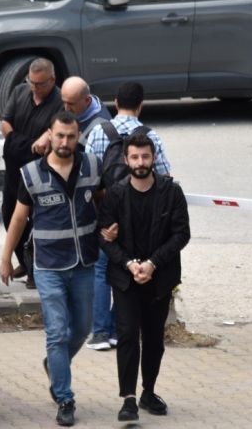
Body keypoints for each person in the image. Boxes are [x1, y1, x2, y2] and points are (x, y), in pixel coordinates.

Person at [0, 111, 103, 427]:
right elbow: (19, 218)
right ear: (50, 134)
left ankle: (55, 365)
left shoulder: (92, 166)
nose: (65, 142)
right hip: (48, 266)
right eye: (60, 136)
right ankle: (64, 397)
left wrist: (111, 229)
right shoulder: (31, 173)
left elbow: (103, 202)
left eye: (71, 136)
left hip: (84, 262)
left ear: (78, 136)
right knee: (57, 332)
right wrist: (5, 258)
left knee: (83, 328)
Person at [98, 133, 190, 422]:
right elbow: (104, 238)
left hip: (159, 278)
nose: (140, 162)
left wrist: (152, 264)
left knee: (153, 338)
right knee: (127, 334)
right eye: (135, 157)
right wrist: (130, 265)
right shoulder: (115, 194)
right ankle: (128, 398)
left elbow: (181, 234)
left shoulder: (171, 192)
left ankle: (148, 391)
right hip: (126, 278)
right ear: (126, 160)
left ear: (153, 158)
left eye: (145, 156)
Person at [83, 81, 173, 351]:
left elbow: (88, 175)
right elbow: (165, 177)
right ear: (140, 105)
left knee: (101, 269)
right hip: (139, 214)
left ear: (115, 102)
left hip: (106, 210)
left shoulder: (99, 131)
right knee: (131, 268)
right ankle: (117, 329)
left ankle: (100, 333)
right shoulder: (150, 135)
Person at [0, 58, 63, 287]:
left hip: (38, 170)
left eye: (40, 84)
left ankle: (36, 268)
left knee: (36, 219)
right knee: (9, 213)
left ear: (52, 80)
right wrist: (19, 141)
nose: (34, 87)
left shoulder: (59, 101)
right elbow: (5, 123)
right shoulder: (20, 91)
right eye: (31, 82)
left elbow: (57, 131)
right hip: (14, 166)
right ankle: (25, 260)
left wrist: (42, 138)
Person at [60, 76, 111, 149]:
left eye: (71, 104)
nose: (66, 108)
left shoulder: (101, 130)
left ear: (87, 100)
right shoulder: (79, 98)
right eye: (64, 102)